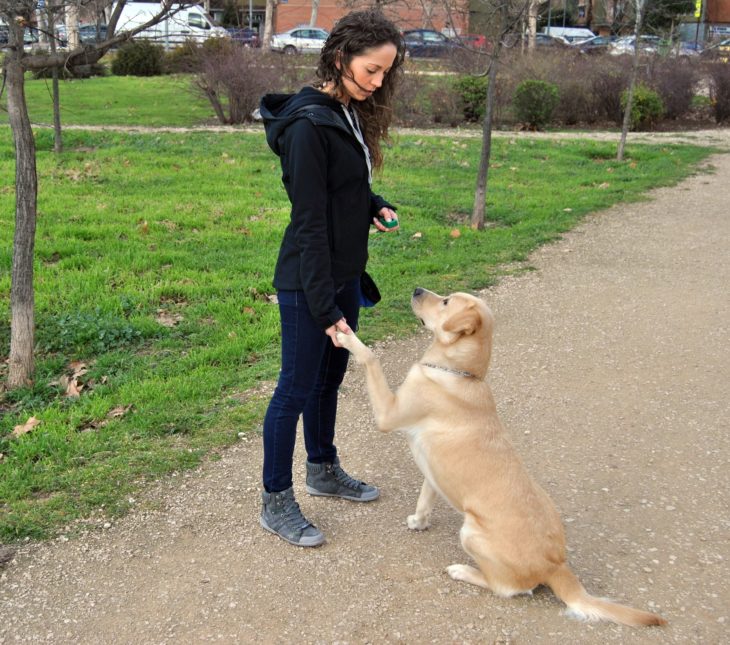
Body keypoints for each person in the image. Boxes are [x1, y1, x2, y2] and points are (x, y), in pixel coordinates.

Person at [257, 10, 405, 547]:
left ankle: (322, 469)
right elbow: (310, 221)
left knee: (328, 382)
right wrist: (325, 309)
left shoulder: (345, 111)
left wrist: (374, 204)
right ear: (340, 58)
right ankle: (275, 500)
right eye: (371, 69)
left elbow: (344, 188)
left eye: (386, 72)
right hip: (308, 283)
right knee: (293, 390)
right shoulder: (306, 125)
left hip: (344, 274)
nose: (378, 81)